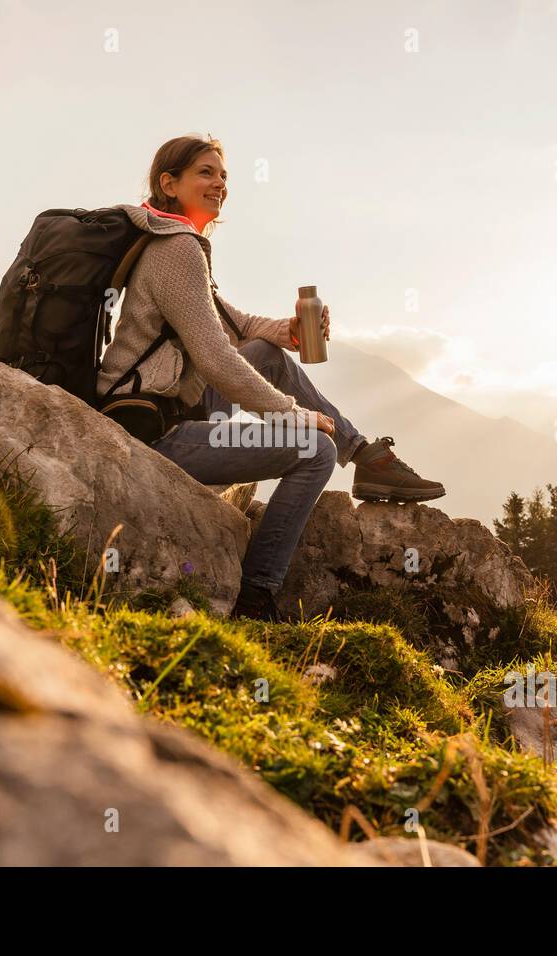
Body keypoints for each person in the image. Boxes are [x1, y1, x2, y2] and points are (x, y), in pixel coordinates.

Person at [97, 134, 445, 621]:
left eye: (223, 175)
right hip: (153, 432)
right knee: (313, 449)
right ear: (168, 183)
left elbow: (234, 325)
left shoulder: (175, 241)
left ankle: (364, 454)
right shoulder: (176, 251)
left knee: (267, 353)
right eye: (206, 173)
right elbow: (217, 358)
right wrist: (295, 415)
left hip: (173, 410)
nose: (219, 183)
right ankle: (257, 595)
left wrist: (287, 331)